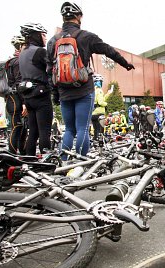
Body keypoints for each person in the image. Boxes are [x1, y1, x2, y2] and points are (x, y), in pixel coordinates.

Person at [47, 2, 135, 159]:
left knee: (69, 129)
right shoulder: (86, 37)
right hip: (83, 89)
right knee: (82, 128)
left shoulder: (53, 41)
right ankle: (82, 163)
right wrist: (125, 64)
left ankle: (63, 161)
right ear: (78, 17)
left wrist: (55, 94)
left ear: (63, 18)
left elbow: (49, 70)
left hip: (64, 91)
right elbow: (108, 50)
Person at [18, 22, 52, 155]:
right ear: (36, 36)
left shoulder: (22, 53)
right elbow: (52, 68)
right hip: (41, 95)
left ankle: (29, 158)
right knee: (45, 131)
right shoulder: (39, 52)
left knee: (33, 131)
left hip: (28, 96)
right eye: (43, 35)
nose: (45, 38)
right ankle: (46, 160)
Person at [6, 35, 28, 154]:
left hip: (12, 97)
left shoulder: (11, 61)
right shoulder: (18, 61)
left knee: (22, 127)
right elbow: (20, 83)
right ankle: (12, 154)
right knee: (17, 127)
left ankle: (21, 153)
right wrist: (24, 103)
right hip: (16, 98)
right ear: (20, 46)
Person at [91, 74, 113, 141]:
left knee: (95, 130)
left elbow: (100, 100)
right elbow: (101, 102)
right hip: (99, 113)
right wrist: (106, 104)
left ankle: (95, 142)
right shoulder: (99, 91)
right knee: (101, 131)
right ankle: (100, 146)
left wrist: (108, 94)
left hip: (93, 113)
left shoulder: (93, 91)